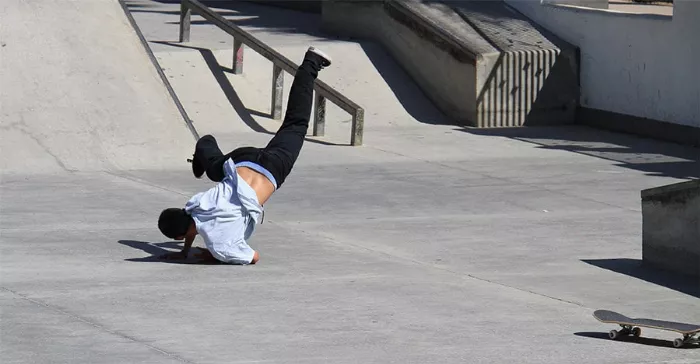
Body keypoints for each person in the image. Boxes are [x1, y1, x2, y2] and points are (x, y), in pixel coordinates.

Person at [156, 46, 332, 264]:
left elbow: (254, 257)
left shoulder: (220, 245)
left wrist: (212, 256)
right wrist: (185, 250)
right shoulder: (196, 205)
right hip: (242, 161)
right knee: (214, 169)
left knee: (295, 123)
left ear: (179, 236)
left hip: (273, 169)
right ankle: (204, 145)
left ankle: (311, 62)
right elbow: (191, 222)